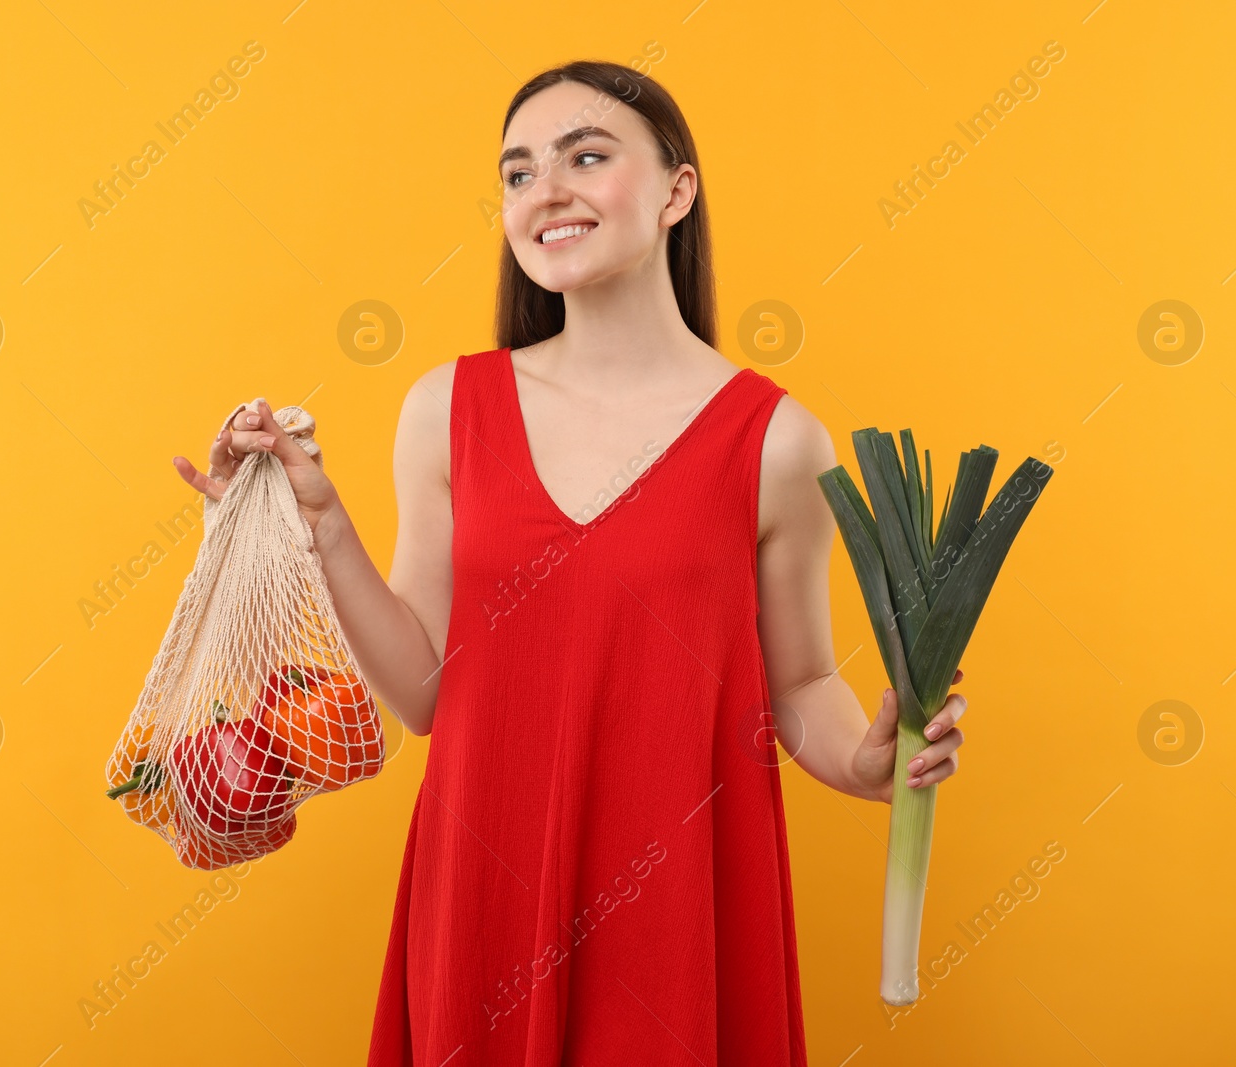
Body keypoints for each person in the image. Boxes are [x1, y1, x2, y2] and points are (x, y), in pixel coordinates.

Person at [174, 59, 967, 1067]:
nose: (543, 191)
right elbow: (424, 691)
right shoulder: (444, 411)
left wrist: (862, 762)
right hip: (483, 887)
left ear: (676, 191)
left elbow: (800, 679)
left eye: (585, 157)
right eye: (517, 173)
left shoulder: (775, 441)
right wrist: (322, 524)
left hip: (677, 898)